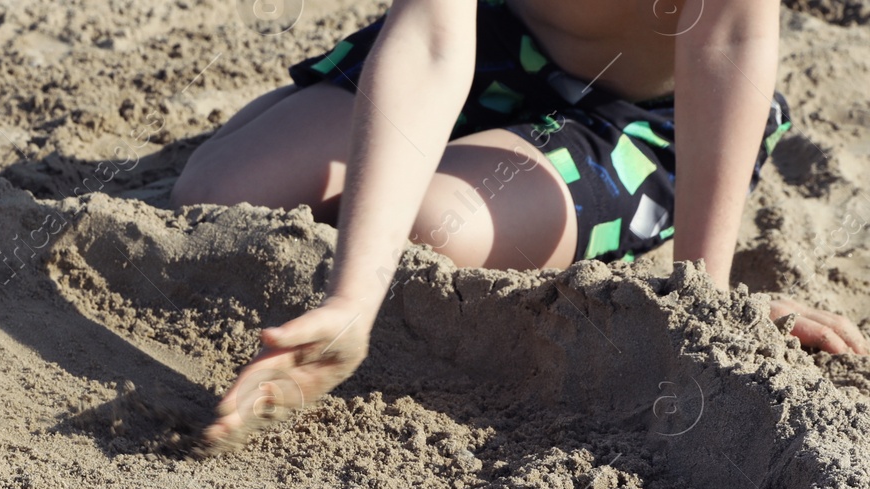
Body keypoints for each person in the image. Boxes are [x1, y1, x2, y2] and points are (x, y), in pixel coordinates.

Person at [173, 0, 869, 447]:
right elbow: (432, 41)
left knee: (435, 227)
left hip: (637, 115)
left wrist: (702, 300)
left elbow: (727, 42)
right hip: (495, 43)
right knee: (217, 192)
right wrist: (351, 299)